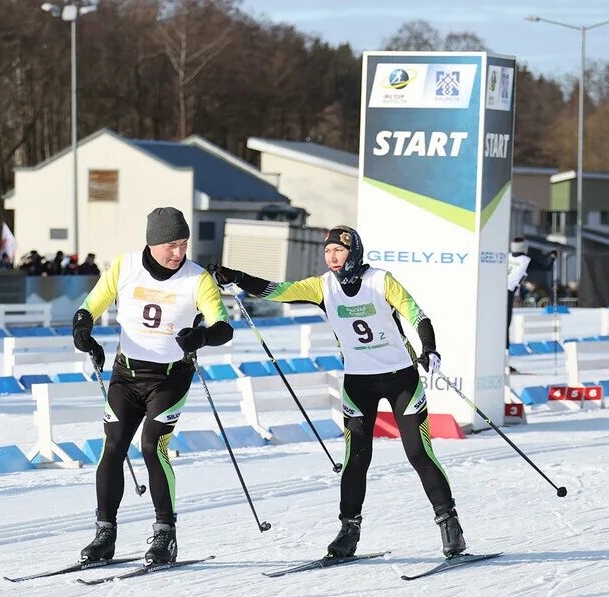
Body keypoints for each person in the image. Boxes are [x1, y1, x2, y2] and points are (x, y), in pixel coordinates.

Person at [208, 226, 467, 560]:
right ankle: (349, 530)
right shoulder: (322, 286)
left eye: (339, 251)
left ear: (354, 252)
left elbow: (417, 314)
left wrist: (429, 348)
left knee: (418, 453)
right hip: (359, 382)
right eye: (328, 252)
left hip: (401, 378)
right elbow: (276, 290)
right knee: (356, 459)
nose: (332, 258)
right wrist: (236, 276)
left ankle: (450, 524)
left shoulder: (380, 280)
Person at [71, 207, 234, 565]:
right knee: (112, 447)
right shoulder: (124, 266)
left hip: (171, 379)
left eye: (183, 244)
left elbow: (223, 326)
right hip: (126, 376)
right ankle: (105, 534)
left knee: (151, 446)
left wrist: (202, 335)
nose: (178, 253)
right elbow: (88, 307)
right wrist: (83, 332)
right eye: (171, 245)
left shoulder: (197, 278)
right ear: (152, 243)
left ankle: (165, 536)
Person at [507, 238, 532, 348]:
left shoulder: (507, 256)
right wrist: (552, 257)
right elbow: (546, 266)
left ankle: (504, 346)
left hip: (499, 289)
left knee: (502, 321)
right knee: (506, 321)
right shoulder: (525, 260)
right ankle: (505, 347)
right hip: (509, 290)